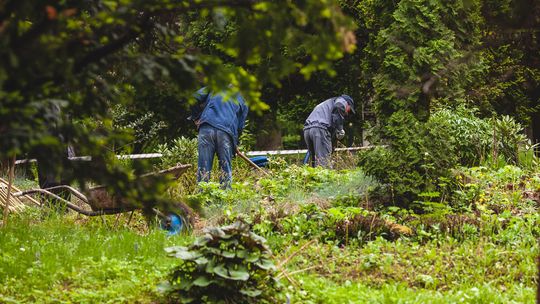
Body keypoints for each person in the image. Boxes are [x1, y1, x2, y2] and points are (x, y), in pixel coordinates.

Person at [190, 87, 248, 188]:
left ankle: (202, 198)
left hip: (206, 128)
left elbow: (193, 98)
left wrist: (197, 117)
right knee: (225, 168)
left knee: (204, 167)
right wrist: (235, 143)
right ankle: (224, 200)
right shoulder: (243, 100)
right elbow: (240, 127)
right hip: (226, 132)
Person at [303, 95, 355, 167]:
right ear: (347, 104)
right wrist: (340, 129)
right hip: (320, 129)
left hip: (307, 130)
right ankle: (327, 178)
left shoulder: (325, 104)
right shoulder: (341, 100)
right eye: (349, 110)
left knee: (314, 162)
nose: (347, 112)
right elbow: (339, 106)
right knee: (324, 162)